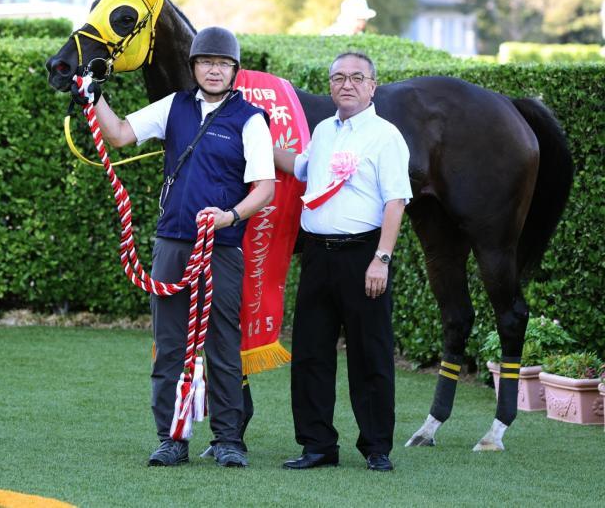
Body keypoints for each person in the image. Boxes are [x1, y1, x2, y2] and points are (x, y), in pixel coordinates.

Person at [75, 27, 275, 468]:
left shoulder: (250, 118)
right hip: (172, 242)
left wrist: (231, 217)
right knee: (168, 344)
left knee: (223, 344)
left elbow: (264, 187)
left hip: (221, 244)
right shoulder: (175, 106)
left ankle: (228, 440)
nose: (215, 69)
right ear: (194, 67)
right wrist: (94, 95)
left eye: (223, 63)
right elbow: (122, 134)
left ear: (235, 70)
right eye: (207, 62)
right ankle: (171, 438)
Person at [274, 52, 410, 471]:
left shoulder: (386, 136)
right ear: (330, 85)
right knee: (311, 353)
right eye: (338, 78)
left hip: (363, 255)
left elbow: (395, 200)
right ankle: (317, 445)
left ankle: (376, 448)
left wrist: (381, 259)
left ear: (373, 85)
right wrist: (250, 136)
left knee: (370, 354)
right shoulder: (323, 130)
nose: (346, 84)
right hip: (317, 255)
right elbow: (298, 166)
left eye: (356, 78)